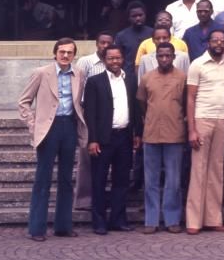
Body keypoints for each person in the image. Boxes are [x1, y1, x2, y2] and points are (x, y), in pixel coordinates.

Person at [18, 37, 88, 241]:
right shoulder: (42, 73)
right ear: (55, 53)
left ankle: (63, 226)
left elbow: (79, 102)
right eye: (62, 52)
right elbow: (23, 102)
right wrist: (34, 124)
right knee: (43, 179)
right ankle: (37, 228)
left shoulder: (79, 74)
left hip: (69, 126)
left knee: (66, 179)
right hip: (48, 128)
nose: (65, 55)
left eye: (69, 52)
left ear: (74, 55)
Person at [83, 44, 139, 235]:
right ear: (104, 60)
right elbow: (90, 113)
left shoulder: (130, 80)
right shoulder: (94, 82)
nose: (115, 62)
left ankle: (118, 219)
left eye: (118, 58)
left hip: (124, 137)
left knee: (121, 180)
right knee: (99, 180)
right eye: (110, 58)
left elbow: (136, 109)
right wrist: (93, 139)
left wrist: (136, 134)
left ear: (123, 59)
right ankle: (99, 221)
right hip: (102, 139)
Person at [185, 28, 224, 233]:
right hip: (202, 118)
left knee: (217, 170)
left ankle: (213, 219)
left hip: (222, 119)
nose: (219, 43)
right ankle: (194, 221)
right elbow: (190, 98)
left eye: (223, 40)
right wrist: (192, 130)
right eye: (215, 40)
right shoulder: (197, 64)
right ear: (208, 43)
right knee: (198, 170)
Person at [136, 42, 188, 233]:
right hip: (151, 134)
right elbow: (141, 102)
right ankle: (151, 220)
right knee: (151, 180)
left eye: (168, 55)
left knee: (173, 180)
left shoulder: (182, 78)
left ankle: (172, 219)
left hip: (175, 134)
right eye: (161, 55)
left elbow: (185, 103)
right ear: (156, 57)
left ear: (174, 57)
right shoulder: (147, 78)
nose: (164, 59)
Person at [72, 31, 114, 212]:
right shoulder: (86, 62)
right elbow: (78, 88)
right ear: (97, 44)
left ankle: (103, 197)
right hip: (88, 112)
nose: (105, 46)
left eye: (108, 43)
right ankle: (83, 200)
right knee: (86, 158)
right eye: (102, 43)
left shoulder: (115, 61)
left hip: (109, 116)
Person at [114, 1, 153, 78]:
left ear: (145, 15)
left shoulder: (153, 33)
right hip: (128, 76)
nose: (138, 18)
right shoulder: (121, 36)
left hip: (150, 75)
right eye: (134, 16)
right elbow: (118, 57)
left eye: (140, 15)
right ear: (129, 18)